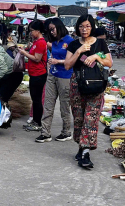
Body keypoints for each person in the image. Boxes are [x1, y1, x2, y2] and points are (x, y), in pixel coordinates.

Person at [64, 15, 113, 169]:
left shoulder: (100, 43)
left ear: (92, 27)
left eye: (87, 26)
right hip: (77, 85)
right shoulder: (73, 45)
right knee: (79, 118)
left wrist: (96, 56)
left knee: (90, 119)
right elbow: (67, 65)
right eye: (81, 26)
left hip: (96, 85)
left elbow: (109, 62)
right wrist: (78, 51)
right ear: (77, 28)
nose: (84, 29)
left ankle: (85, 152)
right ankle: (81, 147)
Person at [37, 18, 74, 143]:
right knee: (48, 104)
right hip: (52, 75)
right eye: (50, 30)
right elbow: (54, 54)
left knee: (64, 106)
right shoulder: (55, 42)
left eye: (53, 29)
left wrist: (58, 62)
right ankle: (45, 133)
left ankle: (66, 132)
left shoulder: (69, 41)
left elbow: (74, 59)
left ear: (59, 27)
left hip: (65, 77)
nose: (52, 32)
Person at [18, 20, 48, 132]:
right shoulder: (36, 42)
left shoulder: (41, 43)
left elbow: (37, 58)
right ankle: (35, 121)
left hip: (39, 74)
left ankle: (38, 123)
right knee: (35, 99)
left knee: (37, 100)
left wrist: (24, 53)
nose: (30, 33)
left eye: (31, 31)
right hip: (34, 74)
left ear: (38, 31)